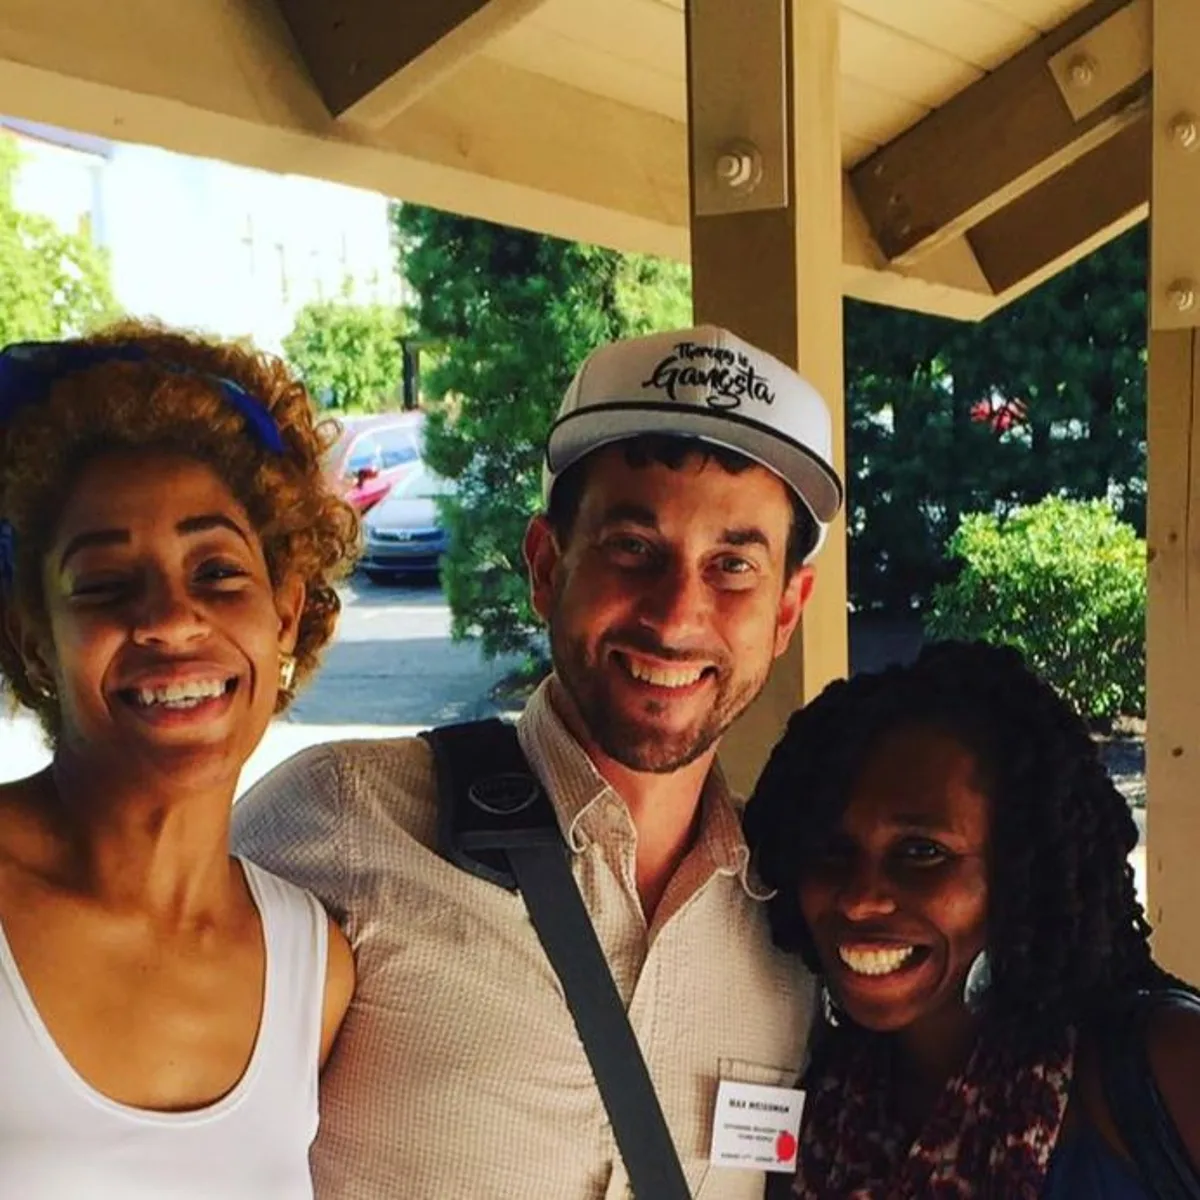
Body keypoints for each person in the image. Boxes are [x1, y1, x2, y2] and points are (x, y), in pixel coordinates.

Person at [231, 324, 844, 1199]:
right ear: (547, 566)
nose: (676, 616)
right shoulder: (342, 821)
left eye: (734, 565)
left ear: (786, 611)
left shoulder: (795, 924)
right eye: (632, 548)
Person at [0, 322, 359, 1198]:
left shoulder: (313, 969)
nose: (169, 619)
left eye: (218, 573)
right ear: (35, 637)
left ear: (284, 616)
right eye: (104, 585)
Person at [743, 640, 1200, 1199]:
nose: (860, 900)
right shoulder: (818, 1103)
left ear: (1021, 870)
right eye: (831, 851)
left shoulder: (1166, 1070)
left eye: (922, 852)